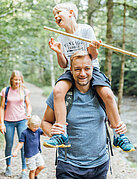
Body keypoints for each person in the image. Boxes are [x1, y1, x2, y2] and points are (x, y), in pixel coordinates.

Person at [44, 1, 135, 152]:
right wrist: (59, 53)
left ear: (71, 13)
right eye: (54, 15)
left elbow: (93, 56)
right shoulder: (61, 37)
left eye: (59, 13)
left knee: (107, 94)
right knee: (58, 91)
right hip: (71, 70)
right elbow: (63, 64)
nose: (56, 17)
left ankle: (119, 135)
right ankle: (61, 133)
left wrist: (93, 48)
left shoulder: (85, 29)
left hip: (91, 69)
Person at [43, 51, 124, 179]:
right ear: (71, 70)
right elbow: (46, 122)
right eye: (77, 69)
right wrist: (52, 132)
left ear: (92, 68)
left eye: (87, 68)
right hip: (68, 165)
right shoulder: (62, 95)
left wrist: (120, 128)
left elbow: (112, 121)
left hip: (100, 165)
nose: (82, 74)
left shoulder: (103, 94)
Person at [0, 70, 32, 179]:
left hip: (22, 120)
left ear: (21, 80)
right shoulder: (6, 91)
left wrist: (29, 113)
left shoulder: (24, 91)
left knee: (22, 144)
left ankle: (24, 170)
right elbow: (1, 108)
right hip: (8, 122)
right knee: (9, 144)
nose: (17, 82)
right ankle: (8, 166)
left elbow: (28, 105)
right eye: (15, 79)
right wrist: (1, 123)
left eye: (19, 80)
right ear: (12, 80)